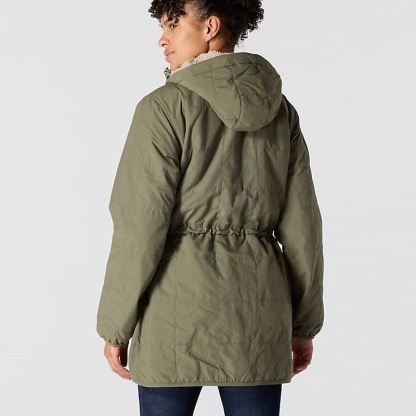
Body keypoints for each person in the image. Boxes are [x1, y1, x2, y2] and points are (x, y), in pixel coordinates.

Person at [96, 0, 324, 415]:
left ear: (210, 27)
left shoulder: (162, 108)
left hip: (172, 315)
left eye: (172, 24)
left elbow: (139, 227)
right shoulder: (280, 112)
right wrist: (303, 324)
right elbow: (303, 228)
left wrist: (115, 326)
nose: (161, 39)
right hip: (258, 315)